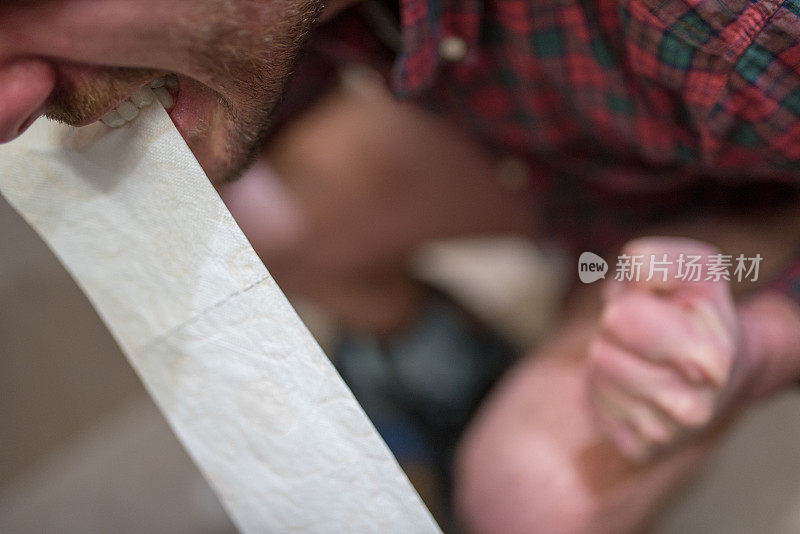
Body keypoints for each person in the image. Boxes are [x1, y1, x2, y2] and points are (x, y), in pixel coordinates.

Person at [2, 0, 800, 531]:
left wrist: (764, 338)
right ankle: (455, 374)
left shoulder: (731, 15)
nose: (9, 112)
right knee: (232, 217)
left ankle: (494, 405)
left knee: (529, 497)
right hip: (570, 147)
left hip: (748, 202)